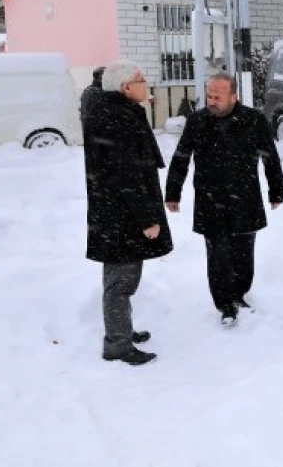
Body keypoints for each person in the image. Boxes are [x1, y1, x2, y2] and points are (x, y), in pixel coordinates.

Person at [165, 73, 283, 327]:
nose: (212, 101)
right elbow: (181, 157)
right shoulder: (197, 121)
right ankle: (224, 304)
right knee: (218, 255)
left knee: (243, 253)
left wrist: (276, 191)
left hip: (245, 197)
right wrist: (173, 192)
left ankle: (239, 294)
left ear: (234, 96)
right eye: (209, 96)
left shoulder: (253, 120)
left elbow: (270, 157)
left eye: (218, 97)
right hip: (210, 199)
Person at [83, 60, 172, 366]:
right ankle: (117, 345)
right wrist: (147, 219)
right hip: (122, 215)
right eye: (140, 79)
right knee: (121, 283)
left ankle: (122, 331)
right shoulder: (116, 118)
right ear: (125, 87)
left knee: (119, 279)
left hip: (116, 212)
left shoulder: (116, 112)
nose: (145, 83)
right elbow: (126, 176)